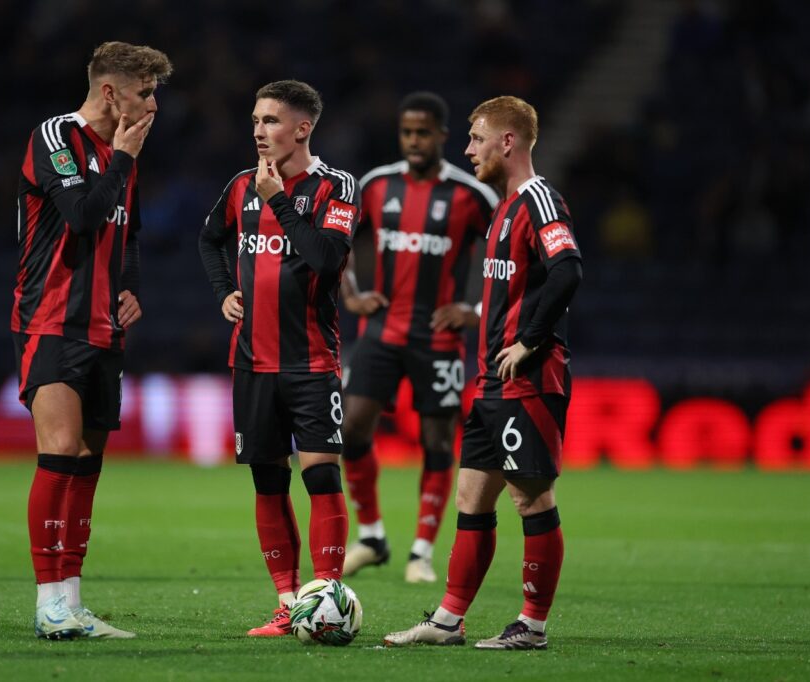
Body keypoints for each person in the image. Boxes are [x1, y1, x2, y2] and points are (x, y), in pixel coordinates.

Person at [384, 95, 582, 650]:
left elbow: (568, 269)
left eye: (475, 138)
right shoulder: (504, 207)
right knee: (471, 498)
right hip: (492, 383)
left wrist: (529, 340)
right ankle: (448, 621)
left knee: (531, 500)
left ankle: (533, 627)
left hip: (530, 379)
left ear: (508, 142)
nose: (467, 149)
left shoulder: (540, 199)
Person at [11, 41, 172, 640]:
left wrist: (129, 289)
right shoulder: (56, 137)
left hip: (106, 327)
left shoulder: (119, 154)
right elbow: (81, 214)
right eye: (146, 91)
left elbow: (123, 234)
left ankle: (72, 602)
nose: (154, 103)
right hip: (52, 319)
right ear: (111, 92)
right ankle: (47, 601)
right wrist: (124, 160)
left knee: (86, 464)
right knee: (58, 453)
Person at [199, 80, 360, 637]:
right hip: (251, 361)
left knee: (320, 478)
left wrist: (278, 201)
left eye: (270, 121)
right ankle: (288, 604)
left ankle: (329, 601)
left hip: (311, 361)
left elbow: (324, 257)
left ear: (302, 128)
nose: (258, 132)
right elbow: (208, 238)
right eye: (254, 121)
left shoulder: (335, 187)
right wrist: (223, 288)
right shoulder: (240, 185)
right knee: (268, 483)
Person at [340, 92, 498, 584]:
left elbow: (506, 255)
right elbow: (337, 241)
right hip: (380, 333)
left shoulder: (472, 195)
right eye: (407, 131)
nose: (413, 140)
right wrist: (351, 294)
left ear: (442, 136)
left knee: (435, 442)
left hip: (438, 339)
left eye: (423, 132)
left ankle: (422, 551)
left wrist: (472, 309)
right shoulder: (375, 185)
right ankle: (371, 535)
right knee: (350, 430)